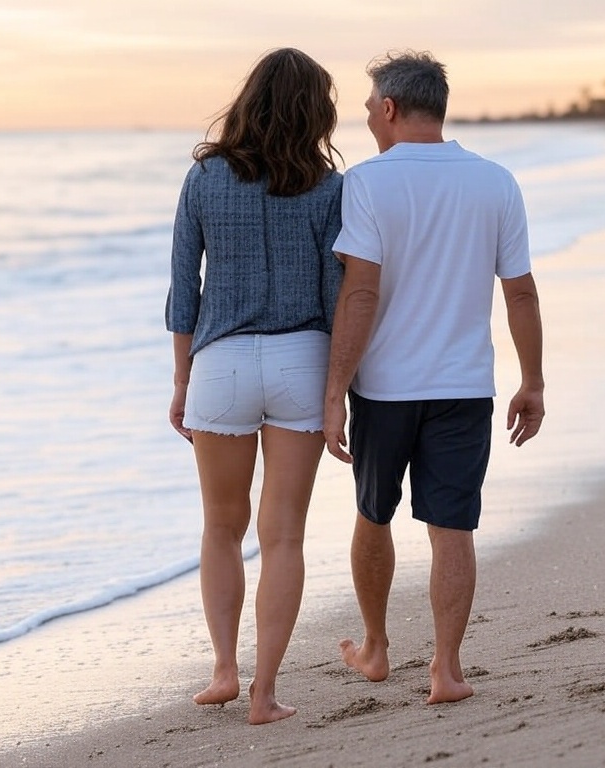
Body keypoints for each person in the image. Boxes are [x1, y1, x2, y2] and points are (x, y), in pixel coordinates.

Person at [323, 50, 545, 705]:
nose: (365, 118)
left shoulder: (365, 183)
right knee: (453, 525)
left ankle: (376, 648)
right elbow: (522, 294)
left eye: (368, 107)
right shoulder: (495, 181)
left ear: (389, 108)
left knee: (373, 514)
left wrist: (334, 392)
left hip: (385, 389)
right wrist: (532, 381)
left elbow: (359, 295)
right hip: (465, 386)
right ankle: (446, 670)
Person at [165, 47, 344, 725]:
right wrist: (338, 393)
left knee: (220, 527)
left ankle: (222, 671)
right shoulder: (328, 186)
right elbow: (337, 297)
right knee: (284, 537)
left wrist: (182, 379)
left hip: (221, 364)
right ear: (316, 110)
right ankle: (264, 694)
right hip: (303, 359)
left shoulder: (205, 178)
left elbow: (185, 291)